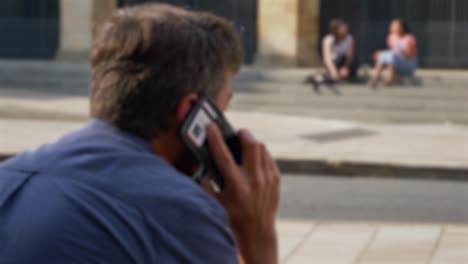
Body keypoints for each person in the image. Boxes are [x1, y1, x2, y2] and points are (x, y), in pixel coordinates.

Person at [0, 4, 280, 264]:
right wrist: (258, 234)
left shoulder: (9, 177)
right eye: (223, 107)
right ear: (192, 113)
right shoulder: (178, 213)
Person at [306, 18, 356, 90]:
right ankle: (321, 78)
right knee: (334, 76)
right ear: (335, 29)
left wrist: (346, 67)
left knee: (349, 72)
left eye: (345, 27)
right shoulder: (328, 40)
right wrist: (334, 72)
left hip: (343, 62)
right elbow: (327, 58)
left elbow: (349, 56)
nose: (344, 29)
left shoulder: (349, 38)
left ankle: (319, 77)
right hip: (333, 63)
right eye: (342, 28)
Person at [369, 19, 418, 88]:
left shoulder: (409, 38)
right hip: (395, 64)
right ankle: (375, 78)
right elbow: (392, 54)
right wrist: (382, 54)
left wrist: (398, 53)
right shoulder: (391, 38)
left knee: (390, 55)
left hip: (408, 65)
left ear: (402, 27)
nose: (393, 28)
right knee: (384, 55)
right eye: (392, 26)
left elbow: (410, 55)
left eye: (395, 26)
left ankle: (390, 79)